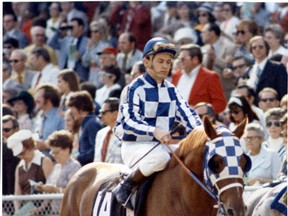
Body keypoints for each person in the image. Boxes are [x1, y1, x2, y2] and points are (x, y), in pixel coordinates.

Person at [113, 37, 202, 209]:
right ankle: (126, 185)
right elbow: (128, 121)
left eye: (168, 62)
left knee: (191, 157)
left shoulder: (171, 90)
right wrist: (154, 131)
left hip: (160, 146)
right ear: (147, 61)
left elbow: (188, 114)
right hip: (134, 146)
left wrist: (202, 133)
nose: (165, 66)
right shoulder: (133, 88)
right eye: (160, 61)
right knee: (160, 158)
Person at [34, 130, 81, 215]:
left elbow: (75, 192)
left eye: (56, 152)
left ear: (67, 150)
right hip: (54, 212)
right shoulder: (56, 167)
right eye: (52, 152)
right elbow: (49, 195)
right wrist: (43, 188)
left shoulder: (75, 166)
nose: (53, 155)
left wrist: (55, 189)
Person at [172, 43, 227, 114]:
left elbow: (220, 104)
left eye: (183, 59)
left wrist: (202, 110)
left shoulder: (210, 77)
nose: (180, 61)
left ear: (195, 59)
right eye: (179, 59)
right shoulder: (176, 75)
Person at [7, 130, 53, 212]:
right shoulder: (19, 167)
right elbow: (17, 193)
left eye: (22, 153)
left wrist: (40, 209)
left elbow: (51, 189)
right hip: (25, 212)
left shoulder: (45, 161)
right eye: (18, 155)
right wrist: (18, 211)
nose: (21, 157)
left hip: (45, 212)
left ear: (29, 146)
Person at [244, 36, 287, 104]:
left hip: (273, 109)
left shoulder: (277, 68)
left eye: (261, 47)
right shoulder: (248, 71)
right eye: (254, 47)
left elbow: (283, 91)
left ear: (267, 48)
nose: (257, 49)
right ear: (251, 51)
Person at [67, 91, 103, 166]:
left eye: (73, 107)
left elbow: (95, 150)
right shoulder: (86, 123)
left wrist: (77, 158)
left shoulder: (92, 124)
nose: (71, 111)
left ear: (81, 107)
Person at [33, 84, 65, 156]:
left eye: (38, 96)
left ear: (49, 99)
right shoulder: (39, 116)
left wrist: (46, 145)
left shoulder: (60, 117)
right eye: (35, 96)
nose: (35, 99)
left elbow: (65, 142)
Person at [94, 98, 122, 164]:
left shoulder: (126, 134)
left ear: (115, 114)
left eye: (103, 112)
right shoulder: (100, 133)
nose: (100, 115)